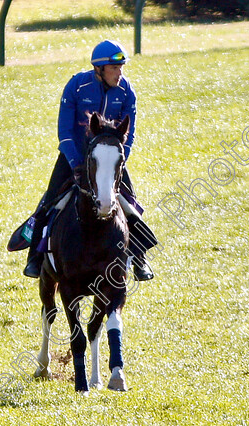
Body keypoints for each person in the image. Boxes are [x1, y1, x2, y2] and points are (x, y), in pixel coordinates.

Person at [22, 40, 155, 281]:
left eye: (122, 68)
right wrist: (75, 164)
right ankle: (35, 257)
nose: (119, 73)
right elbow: (64, 132)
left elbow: (129, 134)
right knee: (50, 201)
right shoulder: (76, 86)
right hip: (75, 156)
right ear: (99, 69)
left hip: (110, 160)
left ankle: (140, 257)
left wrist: (119, 163)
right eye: (114, 69)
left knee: (130, 204)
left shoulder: (127, 91)